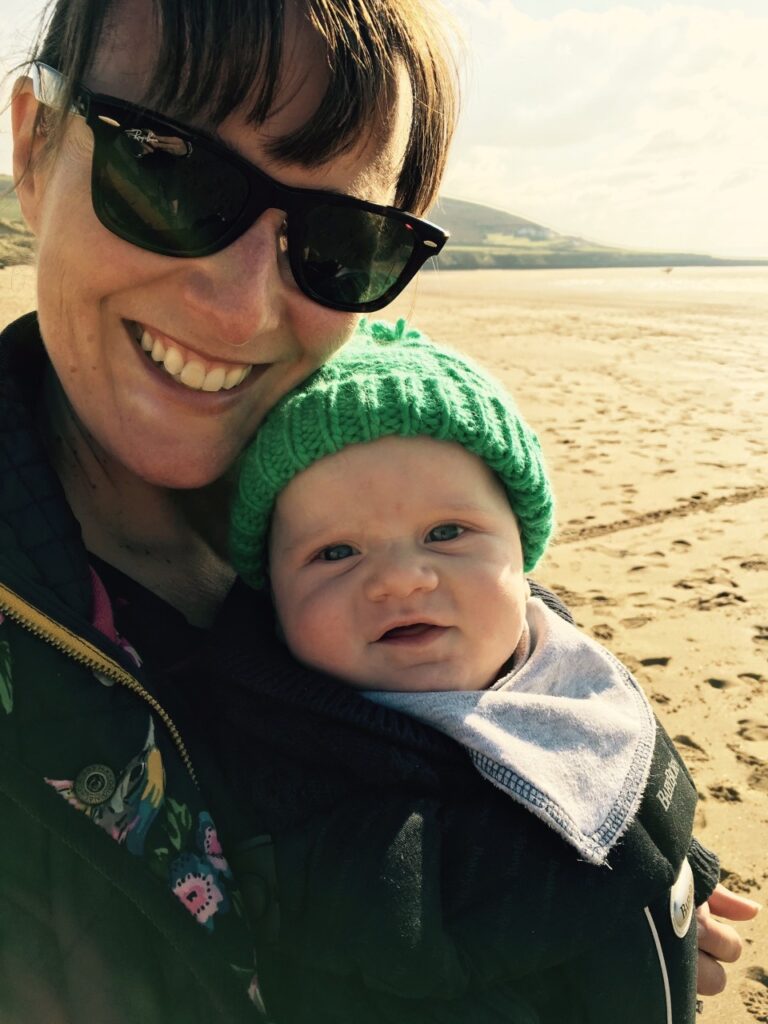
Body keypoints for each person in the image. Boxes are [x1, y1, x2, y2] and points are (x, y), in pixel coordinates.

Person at [0, 1, 755, 1021]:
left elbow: (512, 690)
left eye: (340, 240)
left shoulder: (358, 471)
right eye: (168, 168)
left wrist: (640, 860)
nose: (239, 304)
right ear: (34, 146)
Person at [213, 321, 720, 1021]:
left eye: (446, 533)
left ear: (523, 548)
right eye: (334, 553)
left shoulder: (553, 660)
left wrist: (678, 870)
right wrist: (640, 870)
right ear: (271, 595)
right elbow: (397, 942)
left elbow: (608, 764)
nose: (400, 580)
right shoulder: (302, 771)